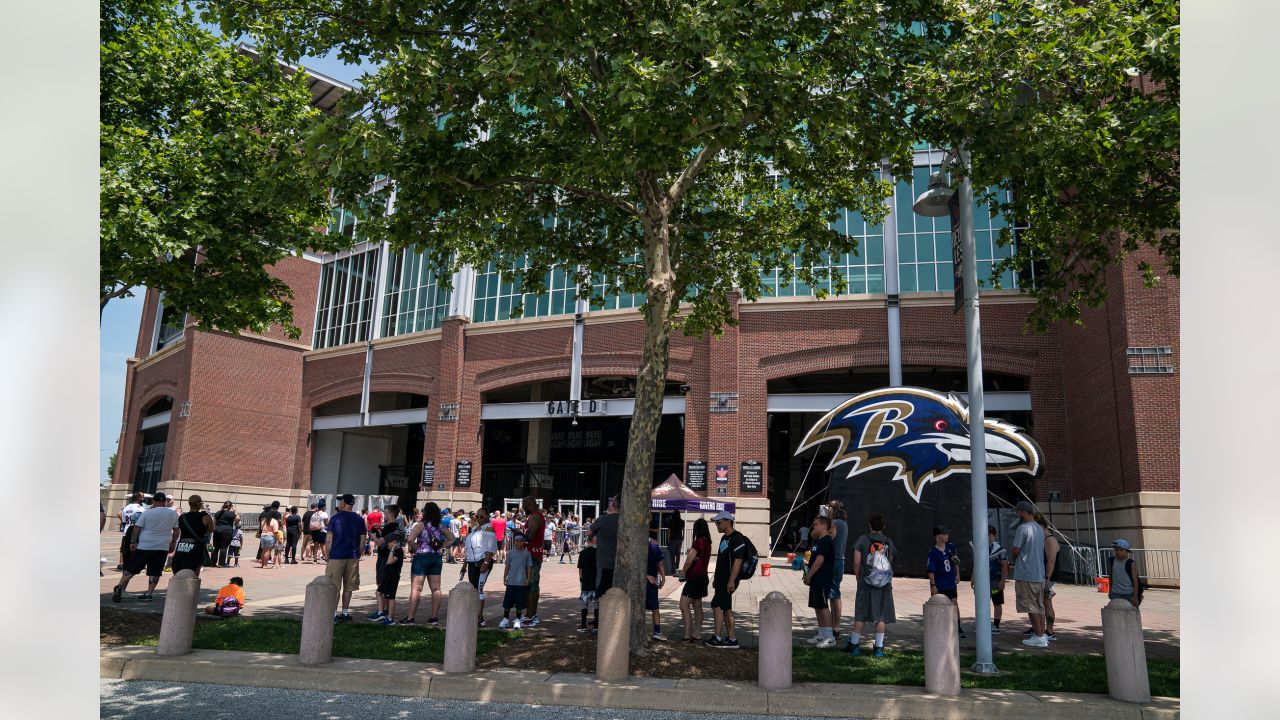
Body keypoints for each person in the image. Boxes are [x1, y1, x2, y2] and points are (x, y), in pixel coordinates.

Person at [113, 492, 179, 602]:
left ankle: (120, 586)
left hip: (145, 545)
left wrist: (133, 542)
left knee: (132, 568)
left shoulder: (147, 513)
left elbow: (136, 528)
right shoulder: (173, 514)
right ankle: (149, 594)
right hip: (162, 546)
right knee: (155, 571)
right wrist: (173, 542)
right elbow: (176, 530)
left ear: (154, 501)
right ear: (164, 502)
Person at [848, 512, 896, 657]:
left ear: (869, 525)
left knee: (861, 614)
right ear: (884, 526)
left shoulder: (862, 539)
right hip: (883, 585)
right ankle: (879, 648)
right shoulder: (888, 541)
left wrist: (858, 578)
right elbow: (889, 563)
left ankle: (855, 645)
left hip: (865, 583)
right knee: (880, 617)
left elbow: (856, 562)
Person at [401, 502, 452, 625]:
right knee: (436, 589)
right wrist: (442, 546)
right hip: (436, 557)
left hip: (422, 557)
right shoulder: (441, 526)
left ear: (426, 512)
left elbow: (410, 540)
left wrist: (415, 547)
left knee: (416, 588)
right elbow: (452, 539)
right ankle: (434, 618)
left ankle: (410, 618)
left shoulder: (420, 525)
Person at [1010, 500, 1049, 647]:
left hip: (1026, 573)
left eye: (1018, 513)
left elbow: (1016, 549)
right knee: (1039, 606)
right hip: (1038, 573)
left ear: (1022, 512)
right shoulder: (1039, 528)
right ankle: (1042, 634)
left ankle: (1038, 636)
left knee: (1030, 606)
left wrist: (1014, 557)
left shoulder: (1023, 528)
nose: (1018, 515)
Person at [705, 510, 746, 649]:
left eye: (719, 522)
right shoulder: (724, 538)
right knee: (726, 609)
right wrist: (716, 578)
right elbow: (721, 561)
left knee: (717, 605)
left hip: (728, 580)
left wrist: (731, 580)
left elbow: (738, 561)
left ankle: (717, 637)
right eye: (716, 522)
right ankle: (732, 639)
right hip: (721, 579)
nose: (716, 525)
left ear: (728, 521)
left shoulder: (737, 538)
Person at [325, 493, 367, 623]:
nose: (339, 503)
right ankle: (345, 612)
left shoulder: (335, 518)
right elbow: (363, 538)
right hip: (352, 556)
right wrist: (359, 553)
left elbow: (329, 539)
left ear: (344, 502)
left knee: (334, 586)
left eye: (340, 501)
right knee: (348, 587)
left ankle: (333, 614)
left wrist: (328, 555)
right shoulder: (359, 519)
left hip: (336, 556)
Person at [926, 525, 966, 639]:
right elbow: (931, 570)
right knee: (939, 605)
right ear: (938, 536)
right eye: (944, 534)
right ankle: (938, 628)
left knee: (954, 602)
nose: (947, 536)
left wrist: (957, 574)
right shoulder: (933, 552)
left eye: (947, 534)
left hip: (950, 582)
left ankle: (957, 627)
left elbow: (955, 561)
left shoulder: (951, 547)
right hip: (939, 583)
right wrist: (933, 585)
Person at [804, 516, 837, 648]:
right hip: (816, 579)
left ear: (824, 526)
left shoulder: (826, 542)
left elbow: (819, 561)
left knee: (823, 606)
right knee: (817, 605)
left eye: (816, 525)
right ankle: (822, 634)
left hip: (822, 579)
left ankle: (830, 637)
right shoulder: (819, 541)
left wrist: (809, 576)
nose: (814, 527)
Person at [464, 508, 498, 626]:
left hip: (482, 562)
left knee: (479, 589)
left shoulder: (489, 529)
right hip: (472, 562)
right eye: (477, 516)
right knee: (473, 589)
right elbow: (469, 548)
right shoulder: (474, 529)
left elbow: (490, 548)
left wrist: (486, 562)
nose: (479, 518)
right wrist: (464, 564)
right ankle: (474, 614)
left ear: (488, 517)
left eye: (482, 516)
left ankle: (479, 617)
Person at [973, 525, 1009, 633]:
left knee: (997, 602)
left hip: (995, 581)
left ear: (994, 536)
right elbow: (976, 564)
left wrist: (1002, 581)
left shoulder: (999, 549)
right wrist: (973, 578)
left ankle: (996, 625)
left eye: (989, 535)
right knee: (983, 602)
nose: (987, 537)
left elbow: (1004, 566)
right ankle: (984, 624)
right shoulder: (979, 548)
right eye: (985, 535)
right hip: (982, 581)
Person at [172, 494, 215, 577]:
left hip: (182, 545)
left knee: (179, 569)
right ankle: (191, 588)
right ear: (200, 504)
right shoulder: (205, 516)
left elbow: (178, 530)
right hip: (196, 546)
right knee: (194, 572)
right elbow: (211, 530)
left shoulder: (182, 517)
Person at [370, 526, 404, 625]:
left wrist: (392, 550)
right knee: (378, 593)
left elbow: (390, 561)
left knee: (391, 597)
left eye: (388, 544)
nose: (387, 546)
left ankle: (390, 618)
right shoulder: (392, 550)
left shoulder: (398, 551)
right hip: (387, 576)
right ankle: (381, 612)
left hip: (393, 578)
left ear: (393, 542)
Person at [521, 496, 547, 627]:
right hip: (531, 555)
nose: (523, 508)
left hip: (533, 556)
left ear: (528, 504)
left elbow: (530, 536)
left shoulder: (535, 517)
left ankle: (531, 615)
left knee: (532, 586)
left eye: (524, 506)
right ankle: (529, 614)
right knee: (530, 585)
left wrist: (519, 534)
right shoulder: (534, 516)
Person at [499, 533, 533, 629]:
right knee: (507, 602)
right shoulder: (510, 553)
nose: (518, 543)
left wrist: (528, 578)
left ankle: (518, 619)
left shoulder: (527, 554)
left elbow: (529, 567)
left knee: (520, 603)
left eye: (520, 541)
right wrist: (505, 577)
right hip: (511, 582)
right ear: (514, 542)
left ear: (523, 542)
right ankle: (505, 619)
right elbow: (507, 566)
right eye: (516, 541)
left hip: (521, 583)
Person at [1035, 512, 1061, 640]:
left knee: (1047, 602)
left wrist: (1046, 579)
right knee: (1040, 601)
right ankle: (1039, 626)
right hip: (1043, 576)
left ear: (1041, 526)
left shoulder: (1049, 540)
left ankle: (1050, 631)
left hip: (1048, 577)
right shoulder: (1044, 539)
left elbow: (1051, 561)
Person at [589, 496, 620, 599]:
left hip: (603, 561)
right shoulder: (624, 520)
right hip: (620, 563)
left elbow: (589, 532)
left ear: (613, 505)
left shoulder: (603, 519)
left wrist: (591, 537)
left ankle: (600, 614)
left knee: (601, 592)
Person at [828, 501, 849, 638]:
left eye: (829, 508)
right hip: (839, 560)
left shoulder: (834, 523)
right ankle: (833, 626)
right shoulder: (844, 523)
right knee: (833, 593)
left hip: (833, 561)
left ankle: (835, 627)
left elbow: (826, 536)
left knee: (834, 594)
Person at [646, 524, 667, 641]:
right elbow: (660, 563)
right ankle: (657, 632)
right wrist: (663, 577)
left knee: (639, 607)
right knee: (655, 608)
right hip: (652, 580)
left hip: (649, 581)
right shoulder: (654, 545)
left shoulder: (636, 545)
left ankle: (656, 632)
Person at [1108, 538, 1143, 607]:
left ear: (1127, 551)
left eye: (1121, 550)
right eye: (1116, 550)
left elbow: (1135, 581)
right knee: (1116, 613)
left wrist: (1135, 596)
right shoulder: (1111, 561)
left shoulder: (1131, 563)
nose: (1118, 552)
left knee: (1130, 613)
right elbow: (1110, 577)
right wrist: (1110, 591)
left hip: (1128, 593)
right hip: (1115, 593)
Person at [117, 492, 147, 570]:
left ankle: (126, 565)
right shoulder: (139, 508)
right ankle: (134, 566)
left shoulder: (126, 507)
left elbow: (122, 519)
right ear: (139, 498)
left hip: (126, 530)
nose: (143, 499)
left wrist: (124, 528)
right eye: (142, 497)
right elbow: (142, 520)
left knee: (126, 550)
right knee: (136, 549)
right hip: (135, 530)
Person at [577, 533, 598, 632]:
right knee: (596, 604)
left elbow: (580, 569)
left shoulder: (583, 553)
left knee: (584, 604)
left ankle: (583, 625)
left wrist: (581, 579)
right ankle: (596, 626)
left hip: (585, 581)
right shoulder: (598, 552)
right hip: (595, 582)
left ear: (587, 542)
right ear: (594, 541)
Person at [213, 502, 238, 567]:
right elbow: (238, 519)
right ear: (230, 506)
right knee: (223, 547)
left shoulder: (218, 512)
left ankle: (213, 562)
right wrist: (235, 512)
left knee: (215, 547)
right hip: (226, 531)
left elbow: (214, 522)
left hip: (217, 530)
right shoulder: (231, 513)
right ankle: (221, 563)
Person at [665, 510, 685, 576]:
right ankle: (677, 567)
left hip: (672, 539)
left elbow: (669, 531)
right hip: (679, 539)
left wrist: (668, 539)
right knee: (678, 553)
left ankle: (673, 569)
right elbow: (683, 530)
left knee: (672, 555)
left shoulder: (671, 521)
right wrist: (683, 537)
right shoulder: (682, 521)